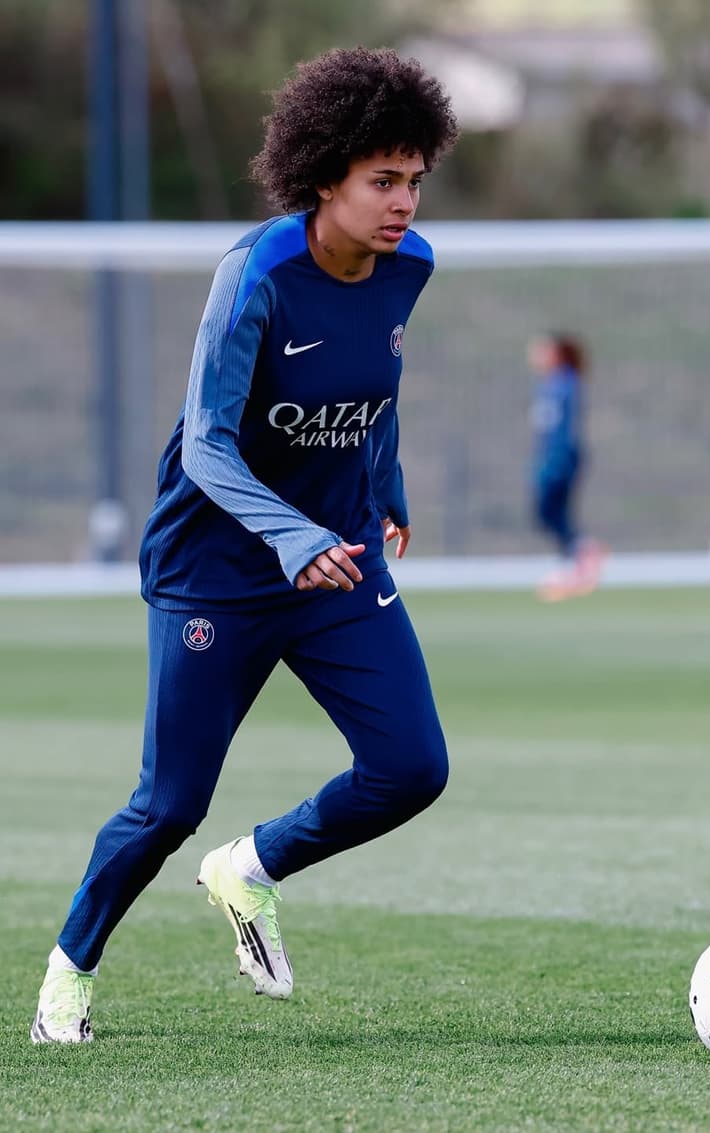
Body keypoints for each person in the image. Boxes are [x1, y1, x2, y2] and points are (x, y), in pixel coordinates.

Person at [31, 45, 459, 1044]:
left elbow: (374, 394)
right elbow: (210, 447)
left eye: (414, 181)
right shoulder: (255, 274)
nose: (403, 202)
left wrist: (382, 488)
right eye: (381, 180)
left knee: (412, 767)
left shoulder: (412, 269)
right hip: (217, 566)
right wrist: (291, 533)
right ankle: (70, 969)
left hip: (337, 557)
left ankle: (251, 867)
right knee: (169, 801)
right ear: (325, 175)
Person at [527, 332, 605, 601]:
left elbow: (564, 429)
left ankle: (582, 557)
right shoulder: (551, 384)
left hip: (560, 459)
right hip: (550, 457)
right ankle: (578, 560)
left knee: (552, 511)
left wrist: (558, 460)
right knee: (549, 514)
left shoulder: (565, 384)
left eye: (543, 350)